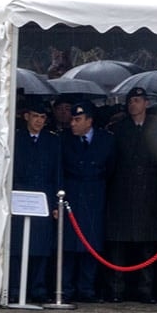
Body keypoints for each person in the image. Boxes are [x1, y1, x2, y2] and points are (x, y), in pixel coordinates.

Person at [104, 87, 157, 303]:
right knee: (119, 246)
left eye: (138, 100)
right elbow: (111, 162)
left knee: (147, 246)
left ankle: (146, 290)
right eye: (131, 101)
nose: (133, 104)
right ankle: (116, 289)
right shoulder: (119, 129)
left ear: (146, 104)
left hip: (149, 192)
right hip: (122, 192)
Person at [60, 100, 115, 302]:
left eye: (78, 119)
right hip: (72, 193)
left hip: (95, 194)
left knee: (91, 244)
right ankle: (65, 289)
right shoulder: (64, 139)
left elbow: (111, 168)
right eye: (72, 119)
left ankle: (87, 289)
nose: (72, 123)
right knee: (68, 245)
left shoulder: (106, 140)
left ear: (89, 121)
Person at [9, 98, 60, 303]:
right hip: (19, 196)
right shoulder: (16, 138)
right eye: (35, 116)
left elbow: (57, 172)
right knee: (17, 247)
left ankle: (38, 288)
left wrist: (56, 202)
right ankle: (15, 288)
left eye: (43, 117)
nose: (39, 121)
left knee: (41, 247)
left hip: (43, 198)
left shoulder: (52, 140)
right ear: (26, 116)